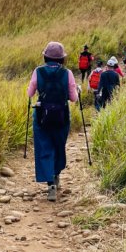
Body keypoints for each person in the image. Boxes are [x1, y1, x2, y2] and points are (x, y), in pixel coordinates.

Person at [27, 41, 78, 202]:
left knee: (44, 147)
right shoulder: (67, 73)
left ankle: (50, 186)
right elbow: (73, 98)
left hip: (42, 115)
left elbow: (30, 93)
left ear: (45, 56)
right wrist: (78, 90)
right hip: (61, 115)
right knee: (58, 145)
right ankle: (56, 175)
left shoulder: (38, 71)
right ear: (62, 58)